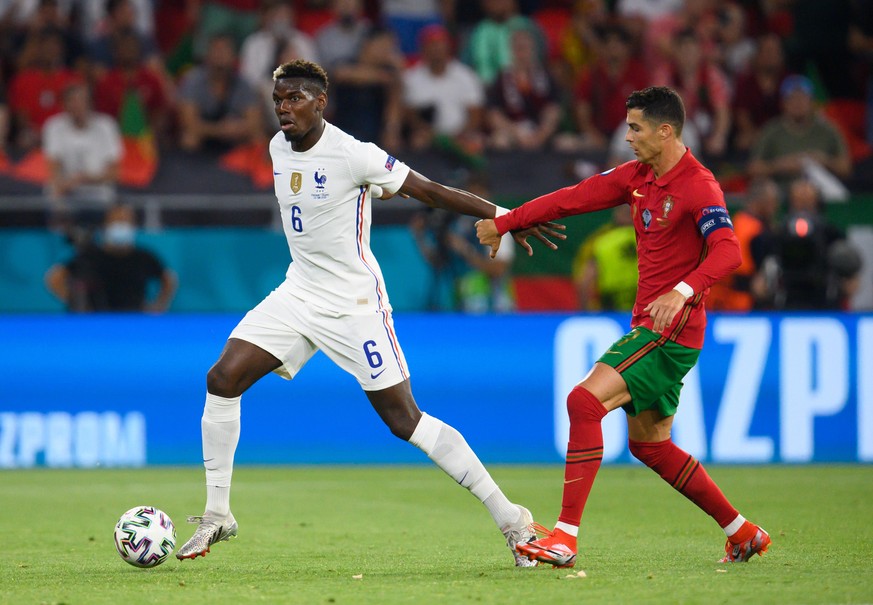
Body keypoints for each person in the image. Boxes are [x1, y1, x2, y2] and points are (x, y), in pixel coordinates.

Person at [174, 59, 561, 566]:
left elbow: (429, 191)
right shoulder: (275, 146)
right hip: (298, 293)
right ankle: (218, 514)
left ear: (320, 103)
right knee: (222, 378)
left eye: (294, 99)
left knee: (405, 421)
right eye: (278, 99)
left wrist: (505, 215)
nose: (284, 109)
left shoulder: (354, 154)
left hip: (355, 304)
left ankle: (513, 520)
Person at [476, 86, 771, 568]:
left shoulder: (699, 185)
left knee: (583, 401)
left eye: (635, 128)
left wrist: (681, 291)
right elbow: (573, 198)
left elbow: (728, 251)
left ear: (665, 130)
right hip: (654, 327)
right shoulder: (637, 177)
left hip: (670, 331)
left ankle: (565, 538)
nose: (627, 137)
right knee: (650, 446)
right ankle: (743, 532)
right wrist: (508, 220)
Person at [45, 204, 177, 312]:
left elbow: (169, 279)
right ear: (105, 226)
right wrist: (76, 303)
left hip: (133, 320)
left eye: (125, 221)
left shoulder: (144, 257)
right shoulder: (90, 256)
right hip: (97, 320)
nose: (120, 226)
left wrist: (159, 305)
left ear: (134, 226)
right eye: (115, 221)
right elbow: (55, 277)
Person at [43, 81, 123, 230]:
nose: (77, 105)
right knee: (53, 200)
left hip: (99, 194)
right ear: (64, 105)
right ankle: (62, 243)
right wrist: (64, 184)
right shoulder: (53, 126)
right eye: (72, 101)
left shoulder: (107, 126)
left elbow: (114, 173)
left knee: (121, 215)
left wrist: (84, 179)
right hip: (66, 193)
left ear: (90, 103)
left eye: (82, 100)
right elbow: (53, 167)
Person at [707, 178, 781, 311]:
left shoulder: (756, 224)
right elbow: (738, 272)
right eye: (772, 201)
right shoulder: (746, 226)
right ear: (761, 201)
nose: (775, 206)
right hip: (735, 304)